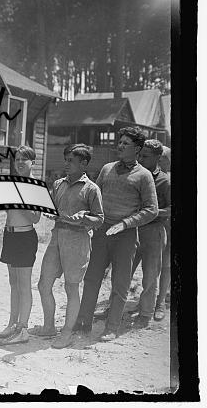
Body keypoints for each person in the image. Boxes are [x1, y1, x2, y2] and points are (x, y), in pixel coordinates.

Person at [75, 127, 158, 342]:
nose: (119, 146)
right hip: (101, 233)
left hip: (126, 236)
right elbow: (94, 197)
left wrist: (125, 223)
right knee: (91, 279)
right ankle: (83, 323)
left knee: (120, 285)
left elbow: (152, 210)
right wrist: (88, 215)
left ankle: (111, 328)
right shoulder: (107, 168)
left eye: (125, 143)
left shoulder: (144, 176)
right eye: (119, 142)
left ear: (137, 149)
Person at [32, 144, 104, 349]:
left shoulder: (91, 189)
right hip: (57, 237)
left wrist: (84, 218)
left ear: (84, 163)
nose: (66, 164)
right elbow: (53, 208)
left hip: (77, 240)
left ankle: (66, 332)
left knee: (71, 287)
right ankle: (48, 327)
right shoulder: (58, 184)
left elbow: (99, 219)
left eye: (71, 160)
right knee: (43, 284)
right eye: (65, 160)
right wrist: (48, 211)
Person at [0, 146, 42, 345]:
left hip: (25, 237)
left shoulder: (36, 187)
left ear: (33, 162)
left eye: (25, 159)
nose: (20, 162)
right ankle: (12, 324)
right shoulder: (13, 183)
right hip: (10, 236)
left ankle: (23, 329)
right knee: (13, 283)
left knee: (24, 284)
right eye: (17, 159)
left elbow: (36, 217)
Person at [129, 139, 171, 327]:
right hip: (132, 230)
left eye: (145, 156)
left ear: (158, 158)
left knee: (151, 275)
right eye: (139, 155)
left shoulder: (165, 181)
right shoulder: (134, 175)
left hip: (154, 230)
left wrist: (152, 212)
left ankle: (146, 313)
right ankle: (115, 308)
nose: (140, 159)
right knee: (124, 272)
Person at [156, 145, 172, 317]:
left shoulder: (169, 180)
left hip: (169, 228)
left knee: (166, 266)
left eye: (164, 158)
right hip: (150, 228)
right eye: (159, 157)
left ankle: (160, 302)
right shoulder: (151, 176)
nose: (161, 161)